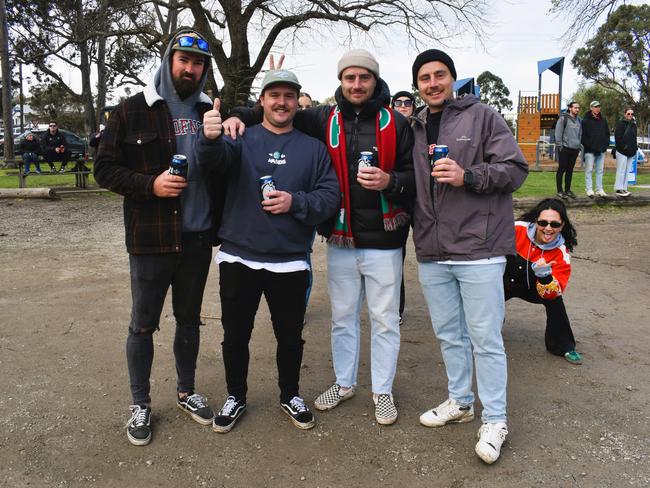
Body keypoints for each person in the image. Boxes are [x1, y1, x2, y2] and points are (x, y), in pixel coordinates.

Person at [224, 49, 415, 425]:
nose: (356, 84)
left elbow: (415, 175)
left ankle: (382, 392)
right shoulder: (323, 117)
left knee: (385, 320)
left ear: (375, 80)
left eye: (364, 77)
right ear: (341, 81)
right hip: (342, 238)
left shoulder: (397, 122)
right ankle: (344, 383)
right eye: (349, 78)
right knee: (343, 318)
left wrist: (391, 181)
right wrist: (236, 114)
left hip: (384, 238)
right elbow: (276, 110)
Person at [94, 29, 226, 446]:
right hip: (151, 239)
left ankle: (186, 392)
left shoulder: (211, 111)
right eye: (183, 60)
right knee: (142, 325)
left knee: (189, 320)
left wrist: (223, 132)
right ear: (169, 60)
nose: (190, 69)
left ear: (205, 69)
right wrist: (149, 185)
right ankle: (141, 404)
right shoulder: (133, 110)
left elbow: (225, 167)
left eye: (198, 63)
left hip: (198, 239)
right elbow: (103, 169)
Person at [196, 69, 339, 433]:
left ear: (297, 102)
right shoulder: (239, 137)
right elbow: (211, 162)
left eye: (288, 96)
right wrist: (210, 137)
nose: (281, 102)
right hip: (239, 255)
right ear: (261, 100)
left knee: (290, 336)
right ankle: (236, 395)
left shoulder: (313, 148)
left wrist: (295, 202)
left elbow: (329, 199)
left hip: (289, 259)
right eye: (274, 95)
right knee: (236, 334)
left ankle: (289, 394)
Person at [409, 49, 528, 464]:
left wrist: (468, 175)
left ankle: (495, 418)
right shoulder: (417, 125)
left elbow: (515, 168)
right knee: (448, 334)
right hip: (432, 250)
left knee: (486, 339)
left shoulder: (483, 116)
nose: (432, 83)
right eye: (424, 78)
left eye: (439, 75)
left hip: (479, 250)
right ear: (418, 85)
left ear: (452, 79)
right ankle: (461, 402)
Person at [504, 198, 582, 365]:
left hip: (537, 288)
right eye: (543, 222)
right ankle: (484, 329)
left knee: (556, 302)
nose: (548, 228)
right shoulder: (516, 229)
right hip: (506, 281)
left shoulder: (561, 253)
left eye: (554, 224)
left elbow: (555, 290)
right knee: (486, 291)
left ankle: (563, 345)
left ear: (562, 226)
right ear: (535, 221)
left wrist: (544, 275)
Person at [391, 90, 416, 324]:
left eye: (407, 103)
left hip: (422, 202)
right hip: (397, 201)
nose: (403, 106)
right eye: (397, 103)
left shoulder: (422, 129)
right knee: (396, 257)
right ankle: (396, 309)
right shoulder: (388, 129)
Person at [581, 101, 609, 198]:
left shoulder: (603, 120)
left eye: (599, 106)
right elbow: (583, 136)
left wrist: (605, 146)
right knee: (589, 170)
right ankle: (589, 189)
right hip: (590, 150)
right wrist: (589, 146)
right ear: (591, 108)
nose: (598, 108)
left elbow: (607, 134)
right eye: (595, 106)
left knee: (600, 170)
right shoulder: (585, 121)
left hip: (601, 150)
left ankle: (599, 189)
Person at [554, 102, 582, 199]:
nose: (577, 109)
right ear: (570, 108)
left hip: (575, 149)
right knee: (562, 169)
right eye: (575, 108)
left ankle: (568, 190)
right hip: (564, 148)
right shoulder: (563, 119)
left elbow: (580, 134)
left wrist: (578, 146)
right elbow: (558, 134)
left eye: (578, 108)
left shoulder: (579, 120)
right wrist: (560, 146)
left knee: (570, 170)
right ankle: (560, 191)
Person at [613, 108, 637, 198]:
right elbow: (617, 138)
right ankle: (618, 188)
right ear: (625, 114)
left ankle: (624, 188)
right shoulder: (620, 124)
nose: (630, 115)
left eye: (631, 114)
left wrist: (634, 148)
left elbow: (634, 138)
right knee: (621, 170)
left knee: (627, 171)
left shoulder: (634, 125)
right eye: (628, 113)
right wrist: (624, 147)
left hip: (631, 151)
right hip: (622, 151)